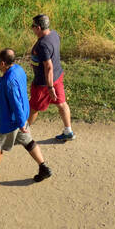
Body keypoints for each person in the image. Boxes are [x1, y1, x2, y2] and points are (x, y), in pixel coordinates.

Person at [0, 48, 52, 186]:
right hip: (21, 117)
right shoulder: (18, 69)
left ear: (3, 63)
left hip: (8, 122)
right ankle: (43, 167)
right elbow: (17, 93)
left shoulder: (8, 81)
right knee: (29, 142)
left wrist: (21, 122)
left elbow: (15, 102)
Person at [27, 13, 75, 142]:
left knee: (34, 108)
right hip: (57, 77)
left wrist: (49, 87)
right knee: (61, 103)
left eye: (33, 26)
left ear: (38, 28)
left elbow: (48, 67)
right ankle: (68, 131)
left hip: (44, 83)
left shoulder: (43, 44)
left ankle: (23, 132)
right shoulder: (54, 34)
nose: (31, 28)